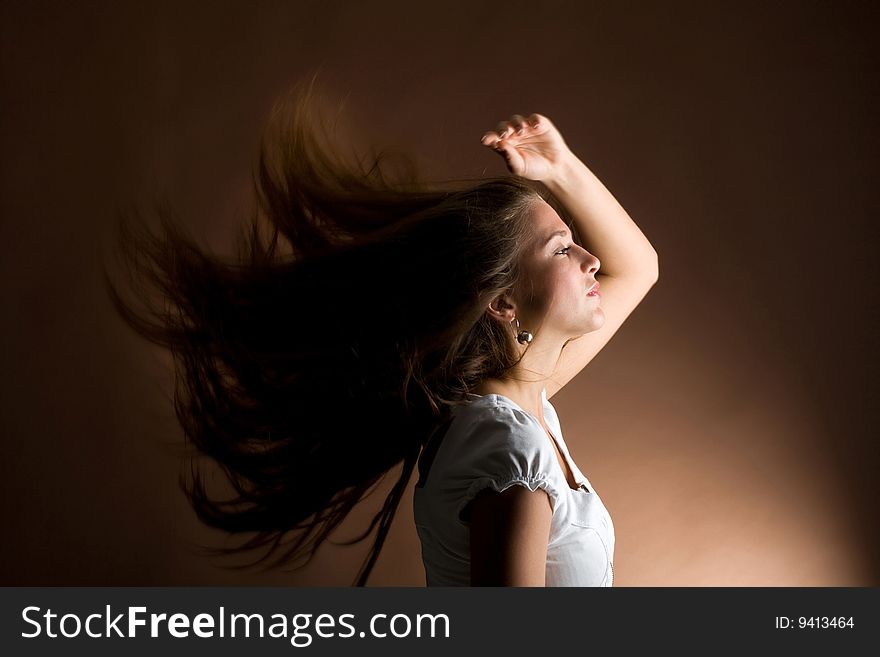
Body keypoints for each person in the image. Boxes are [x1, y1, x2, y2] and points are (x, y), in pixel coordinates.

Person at [105, 79, 658, 587]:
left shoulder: (517, 405)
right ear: (504, 303)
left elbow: (638, 268)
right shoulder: (510, 451)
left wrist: (559, 168)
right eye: (562, 248)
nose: (590, 259)